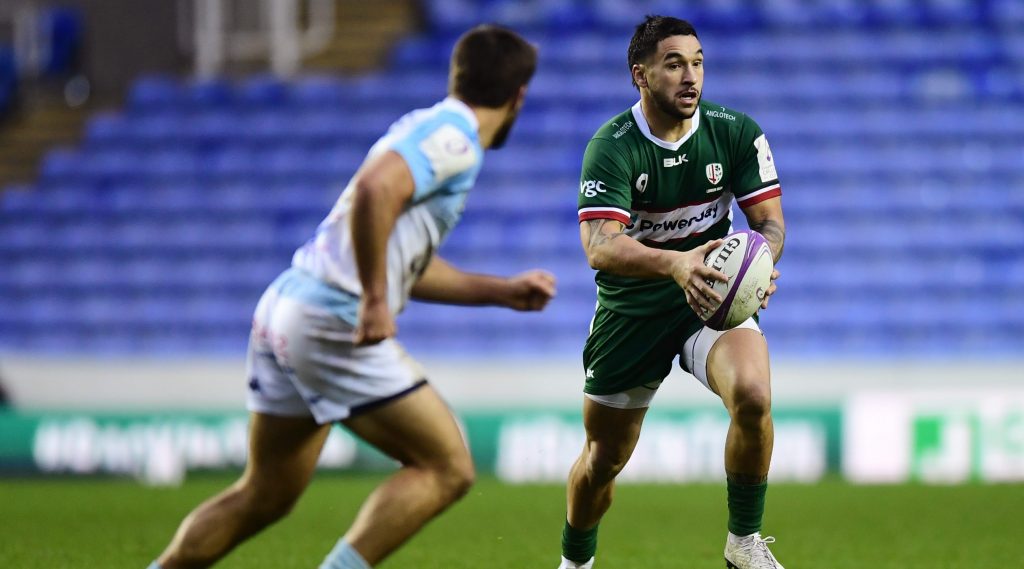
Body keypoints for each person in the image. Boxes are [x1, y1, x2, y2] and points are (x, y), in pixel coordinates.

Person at [149, 24, 552, 569]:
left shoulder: (424, 127)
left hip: (286, 307)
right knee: (448, 467)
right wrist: (374, 301)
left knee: (264, 496)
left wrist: (500, 291)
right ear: (518, 96)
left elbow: (402, 255)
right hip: (329, 317)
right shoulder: (455, 140)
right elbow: (373, 190)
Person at [559, 15, 787, 569]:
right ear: (640, 74)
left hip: (709, 299)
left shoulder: (735, 132)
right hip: (630, 311)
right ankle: (575, 561)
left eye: (699, 62)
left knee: (753, 397)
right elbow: (601, 246)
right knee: (603, 460)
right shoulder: (611, 147)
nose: (691, 76)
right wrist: (675, 264)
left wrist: (760, 263)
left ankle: (743, 545)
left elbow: (771, 226)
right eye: (674, 64)